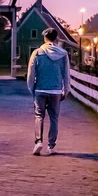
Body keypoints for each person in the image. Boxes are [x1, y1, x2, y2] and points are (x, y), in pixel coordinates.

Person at [27, 28, 71, 156]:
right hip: (56, 91)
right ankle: (51, 146)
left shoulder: (37, 52)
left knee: (39, 116)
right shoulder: (63, 54)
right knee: (54, 118)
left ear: (45, 38)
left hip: (40, 89)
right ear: (56, 38)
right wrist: (66, 90)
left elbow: (31, 73)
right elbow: (66, 74)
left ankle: (38, 142)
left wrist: (32, 89)